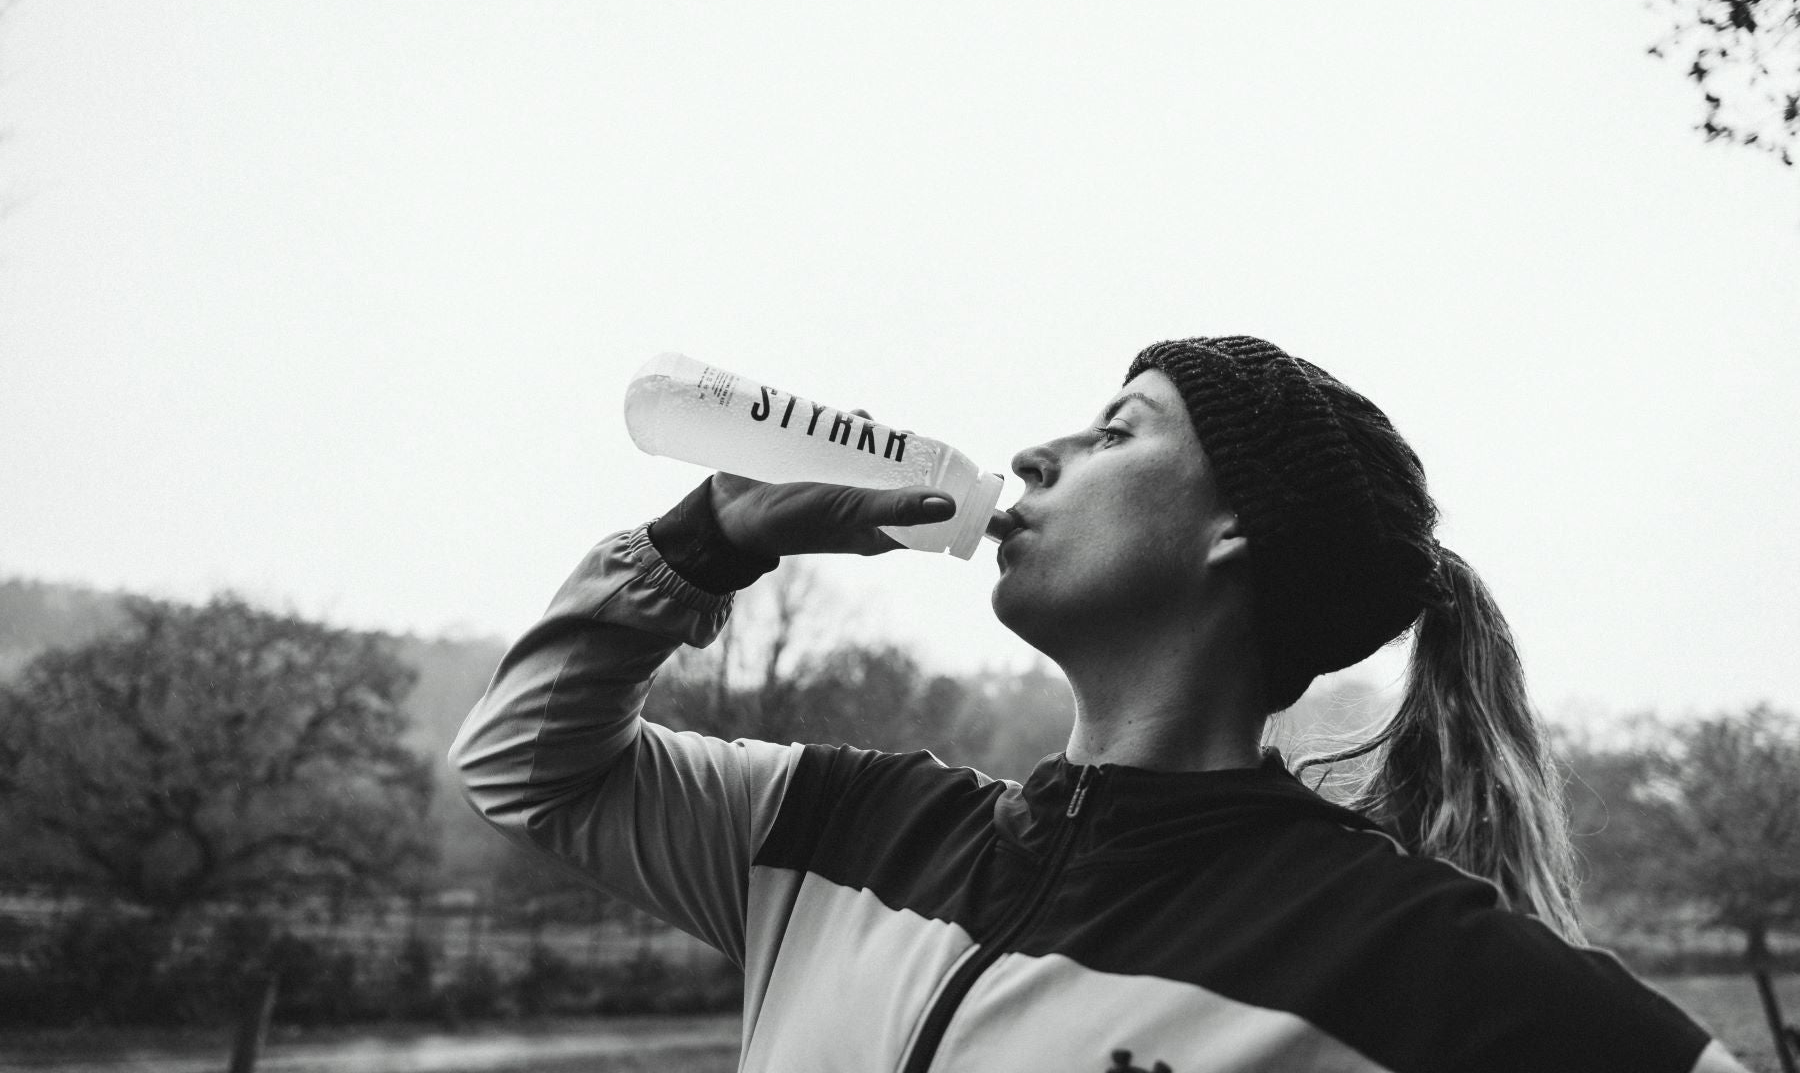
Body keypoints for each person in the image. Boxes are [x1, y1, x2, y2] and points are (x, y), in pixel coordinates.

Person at [451, 335, 1749, 1072]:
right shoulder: (842, 827)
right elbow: (527, 768)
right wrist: (706, 538)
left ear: (1239, 529)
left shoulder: (1400, 949)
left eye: (1119, 430)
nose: (1033, 455)